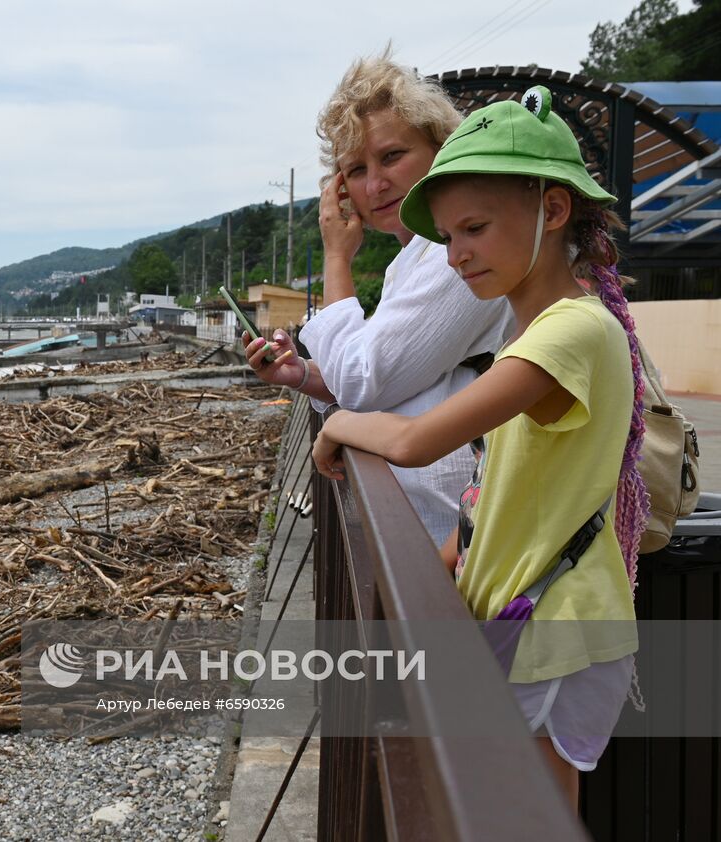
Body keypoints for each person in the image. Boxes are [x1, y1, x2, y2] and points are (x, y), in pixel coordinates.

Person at [311, 86, 643, 805]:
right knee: (502, 802)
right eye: (449, 237)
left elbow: (415, 442)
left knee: (529, 813)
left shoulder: (570, 332)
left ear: (553, 211)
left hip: (561, 628)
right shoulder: (532, 332)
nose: (457, 256)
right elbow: (494, 489)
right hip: (529, 617)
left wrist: (337, 422)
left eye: (475, 229)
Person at [243, 52, 513, 545]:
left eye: (392, 156)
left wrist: (337, 258)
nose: (376, 183)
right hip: (443, 532)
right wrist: (302, 374)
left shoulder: (455, 256)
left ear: (441, 148)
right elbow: (397, 379)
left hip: (468, 544)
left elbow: (366, 382)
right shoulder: (410, 260)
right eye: (356, 169)